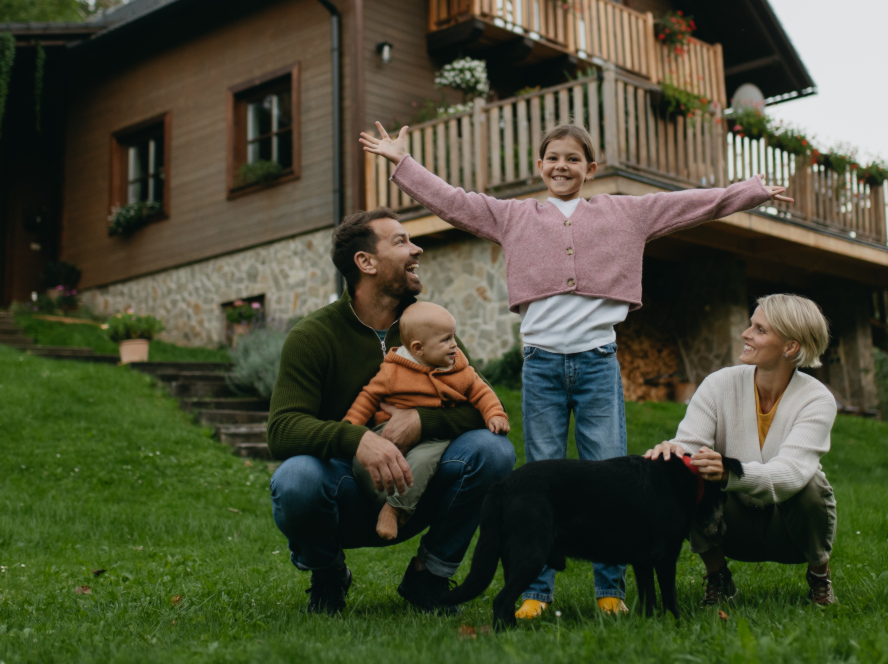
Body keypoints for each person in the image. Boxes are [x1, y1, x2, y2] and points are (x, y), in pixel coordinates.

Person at [361, 120, 793, 618]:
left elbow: (691, 203)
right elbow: (454, 201)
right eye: (552, 158)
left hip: (597, 365)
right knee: (544, 475)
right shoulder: (513, 215)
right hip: (541, 366)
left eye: (572, 159)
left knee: (612, 475)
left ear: (590, 169)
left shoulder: (626, 212)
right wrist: (403, 162)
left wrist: (752, 191)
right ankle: (535, 592)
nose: (561, 166)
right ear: (539, 166)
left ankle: (611, 590)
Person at [267, 209, 516, 615]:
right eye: (400, 242)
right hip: (345, 487)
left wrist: (423, 422)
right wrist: (359, 439)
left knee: (494, 451)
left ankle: (429, 577)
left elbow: (481, 403)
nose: (416, 248)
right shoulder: (313, 336)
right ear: (365, 263)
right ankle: (328, 574)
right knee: (295, 479)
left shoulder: (426, 327)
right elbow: (282, 429)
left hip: (421, 483)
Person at [644, 294, 840, 606]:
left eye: (760, 330)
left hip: (789, 533)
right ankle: (718, 576)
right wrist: (674, 452)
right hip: (731, 526)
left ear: (791, 347)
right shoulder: (718, 384)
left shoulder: (817, 400)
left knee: (812, 484)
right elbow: (690, 444)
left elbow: (790, 474)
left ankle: (819, 575)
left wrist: (729, 472)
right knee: (681, 471)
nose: (745, 334)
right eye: (751, 325)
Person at [343, 301, 511, 541]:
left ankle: (395, 508)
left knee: (422, 461)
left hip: (432, 437)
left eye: (454, 336)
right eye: (446, 340)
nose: (454, 345)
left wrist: (495, 414)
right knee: (362, 461)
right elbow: (368, 397)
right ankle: (381, 499)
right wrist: (352, 430)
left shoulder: (458, 369)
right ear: (418, 348)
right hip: (387, 430)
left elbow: (481, 391)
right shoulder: (393, 371)